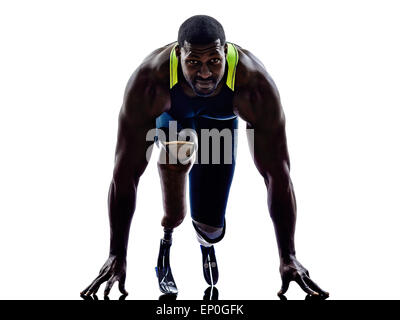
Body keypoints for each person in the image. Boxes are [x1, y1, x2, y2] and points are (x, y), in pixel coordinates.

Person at [80, 15, 329, 299]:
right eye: (193, 62)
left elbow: (277, 175)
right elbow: (124, 175)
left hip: (219, 126)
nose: (205, 73)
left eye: (214, 61)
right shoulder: (150, 82)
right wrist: (116, 254)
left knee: (210, 226)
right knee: (178, 151)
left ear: (225, 52)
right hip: (174, 117)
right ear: (178, 55)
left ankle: (205, 242)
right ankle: (169, 231)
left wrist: (288, 256)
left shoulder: (254, 86)